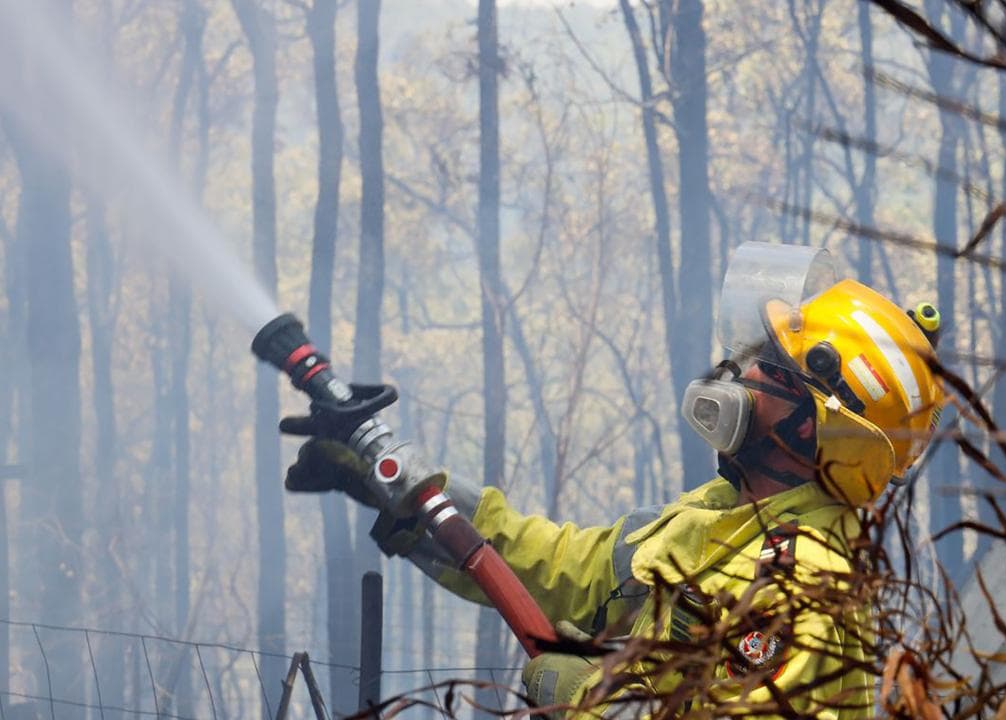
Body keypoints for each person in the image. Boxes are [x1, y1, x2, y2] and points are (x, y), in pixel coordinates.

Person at [286, 242, 943, 718]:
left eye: (768, 364)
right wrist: (400, 488)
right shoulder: (714, 521)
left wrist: (592, 704)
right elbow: (567, 568)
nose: (735, 369)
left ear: (814, 428)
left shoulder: (803, 586)